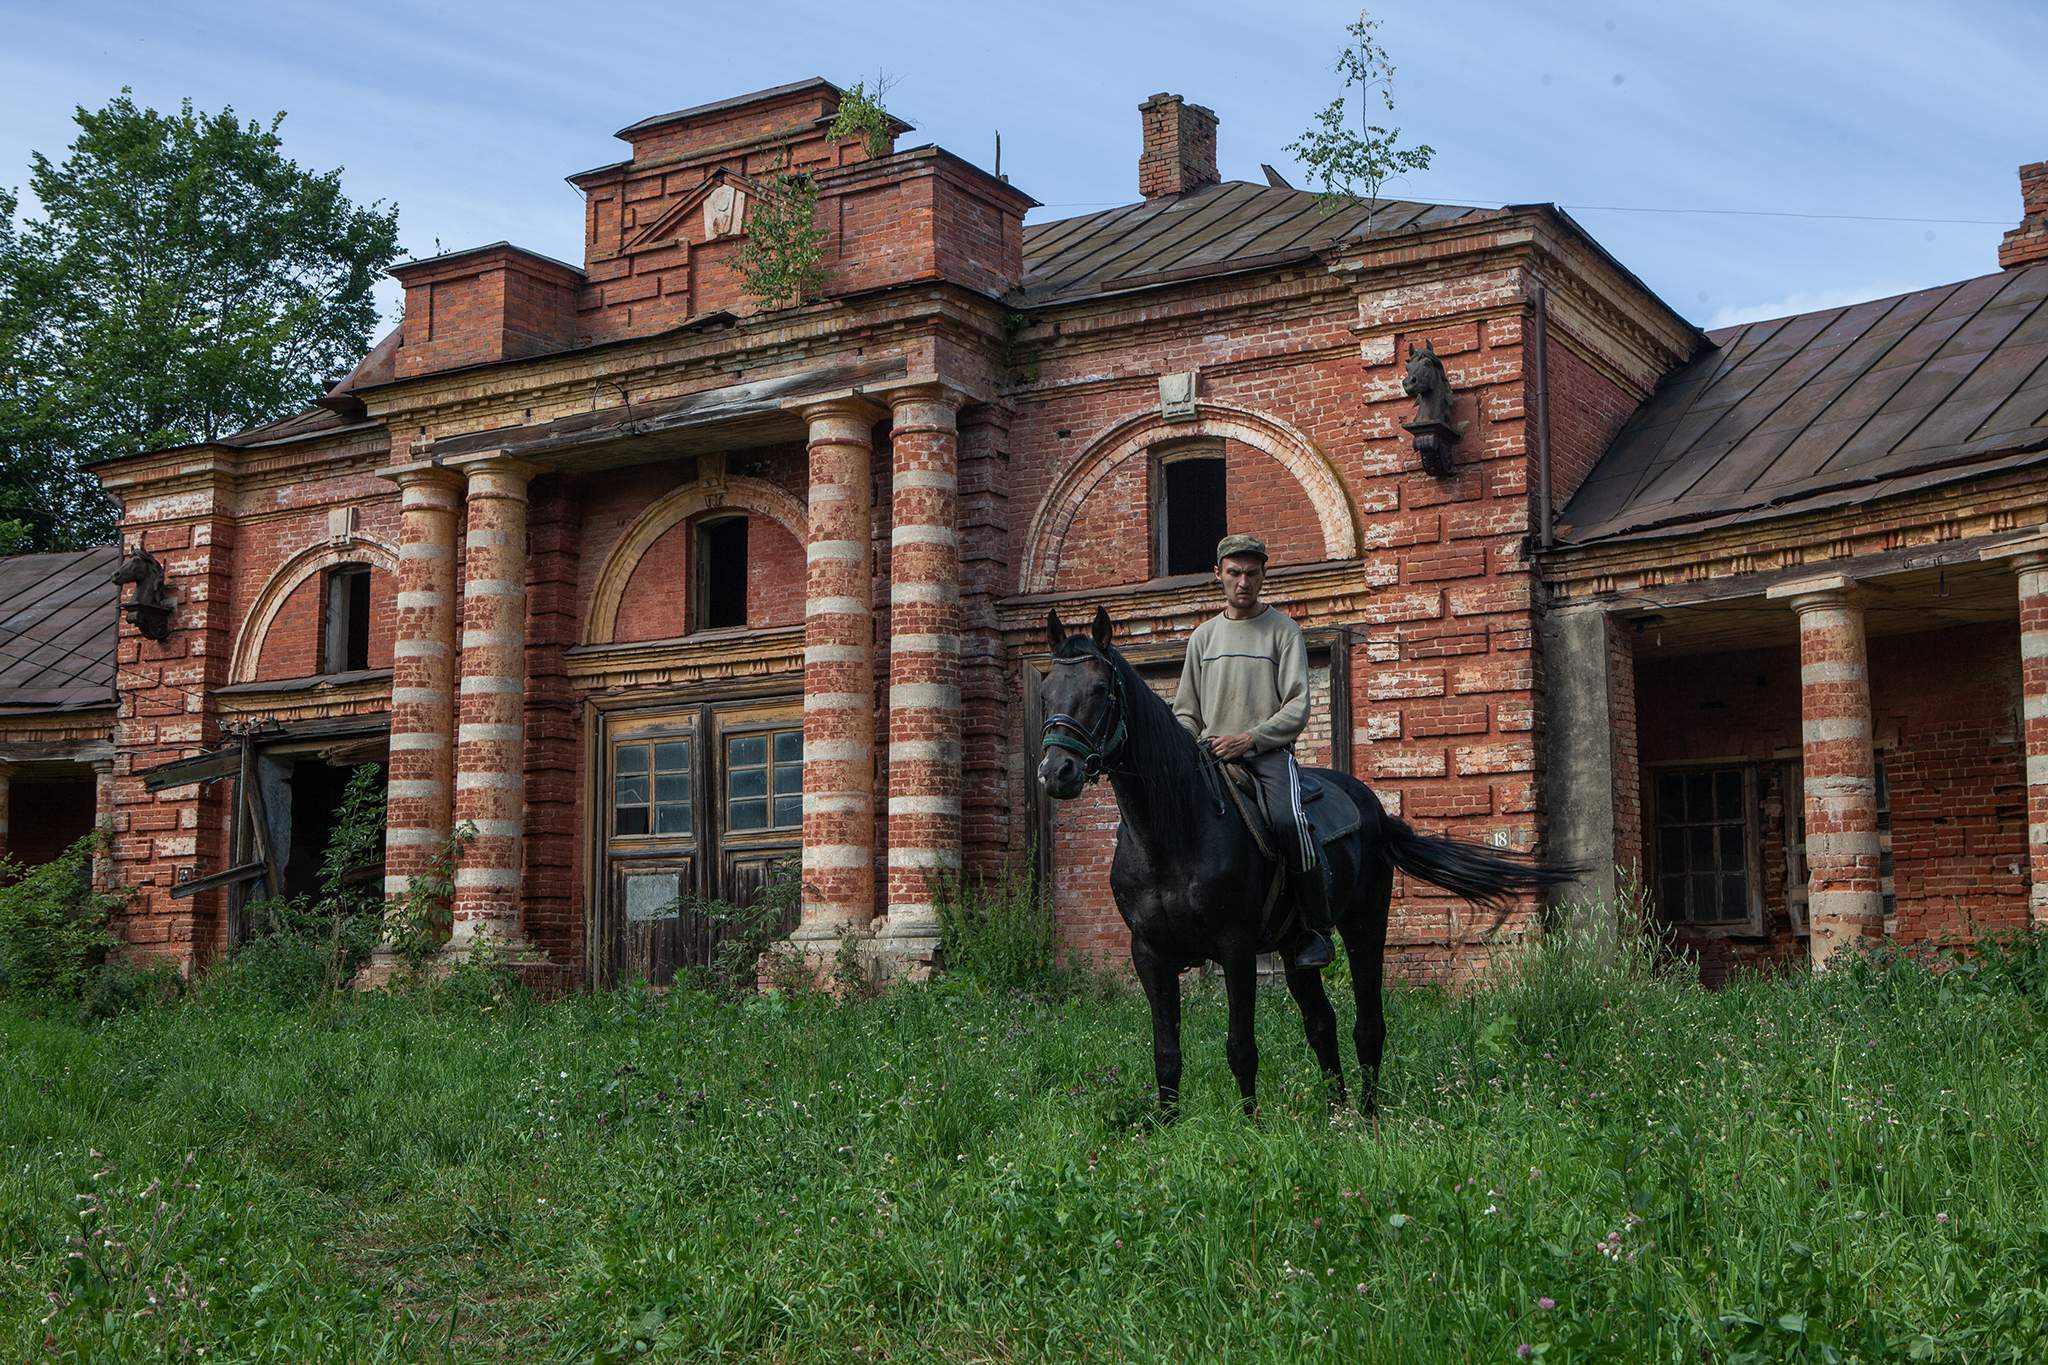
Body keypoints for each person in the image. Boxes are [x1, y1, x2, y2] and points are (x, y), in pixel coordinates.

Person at [1170, 533, 1334, 970]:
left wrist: (1251, 738)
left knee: (1291, 820)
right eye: (1234, 573)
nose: (1243, 582)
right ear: (1218, 575)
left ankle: (1315, 930)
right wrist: (1187, 748)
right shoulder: (1202, 639)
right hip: (1211, 756)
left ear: (1264, 576)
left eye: (1252, 573)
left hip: (1267, 756)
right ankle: (1182, 930)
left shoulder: (1283, 631)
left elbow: (1298, 705)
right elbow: (1186, 711)